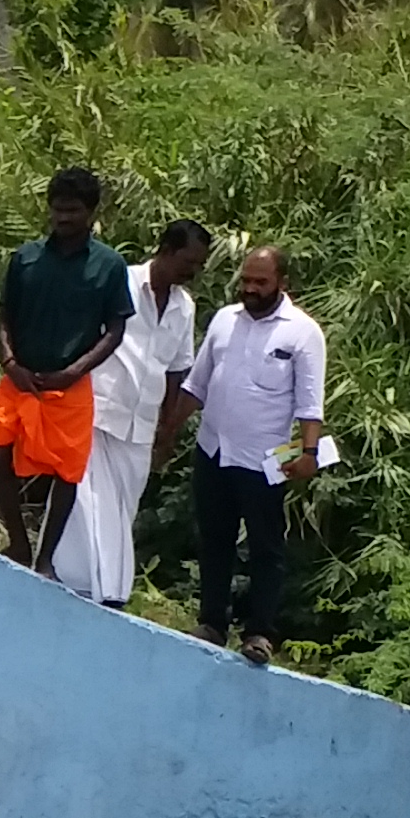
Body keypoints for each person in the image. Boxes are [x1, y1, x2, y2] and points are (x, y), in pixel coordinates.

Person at [165, 247, 326, 665]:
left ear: (282, 283)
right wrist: (166, 435)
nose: (251, 290)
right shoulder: (224, 321)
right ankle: (212, 622)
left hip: (264, 460)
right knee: (214, 540)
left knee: (265, 548)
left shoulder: (303, 333)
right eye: (247, 281)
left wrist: (309, 454)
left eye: (261, 283)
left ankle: (259, 633)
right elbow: (195, 386)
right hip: (214, 450)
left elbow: (310, 404)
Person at [0, 164, 131, 572]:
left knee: (67, 474)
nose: (64, 218)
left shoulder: (109, 265)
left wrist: (75, 370)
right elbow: (4, 317)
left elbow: (115, 329)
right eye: (58, 209)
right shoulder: (26, 258)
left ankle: (45, 559)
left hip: (70, 385)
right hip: (19, 380)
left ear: (92, 212)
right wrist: (9, 362)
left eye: (73, 210)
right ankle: (19, 545)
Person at [57, 216, 209, 607]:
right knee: (87, 500)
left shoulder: (184, 306)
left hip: (141, 421)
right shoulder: (118, 279)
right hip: (98, 407)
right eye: (188, 262)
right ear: (167, 251)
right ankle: (92, 585)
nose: (193, 272)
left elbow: (178, 368)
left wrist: (168, 427)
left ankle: (99, 583)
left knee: (123, 506)